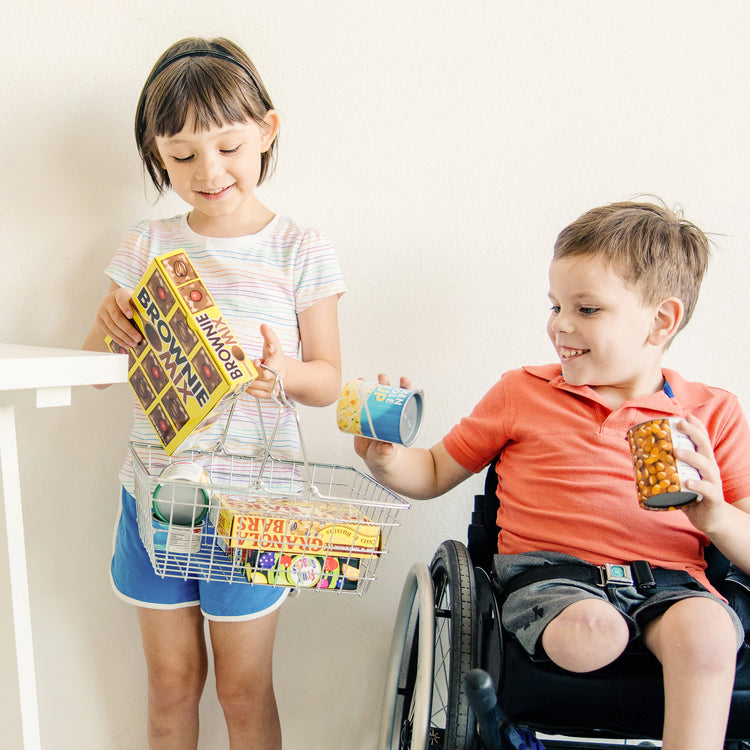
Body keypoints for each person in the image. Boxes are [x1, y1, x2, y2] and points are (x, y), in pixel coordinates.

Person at [356, 201, 750, 750]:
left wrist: (716, 517)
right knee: (595, 631)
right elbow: (435, 470)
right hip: (552, 576)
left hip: (671, 582)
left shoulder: (711, 414)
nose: (560, 325)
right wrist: (388, 459)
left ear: (661, 320)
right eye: (555, 305)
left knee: (710, 634)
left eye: (586, 309)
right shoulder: (522, 392)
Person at [83, 37, 345, 749]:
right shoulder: (149, 243)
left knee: (242, 688)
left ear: (267, 130)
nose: (210, 171)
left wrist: (278, 372)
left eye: (228, 146)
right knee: (170, 686)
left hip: (255, 505)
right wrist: (108, 329)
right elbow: (100, 369)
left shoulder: (299, 246)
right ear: (155, 154)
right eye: (182, 156)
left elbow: (327, 380)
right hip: (155, 494)